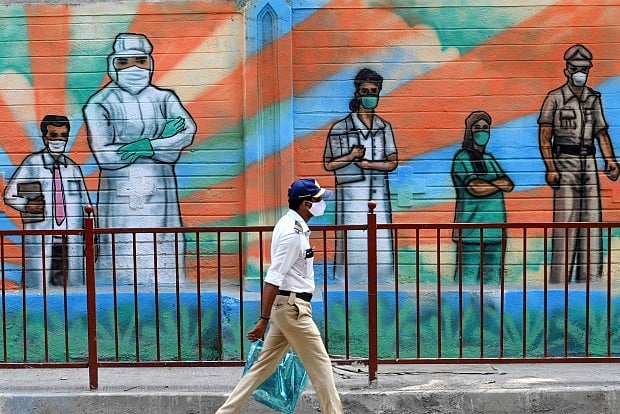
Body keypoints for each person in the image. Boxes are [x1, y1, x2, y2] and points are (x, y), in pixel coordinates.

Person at [216, 178, 343, 414]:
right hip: (294, 310)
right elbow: (274, 277)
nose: (322, 204)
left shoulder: (289, 224)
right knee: (322, 368)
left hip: (288, 307)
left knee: (260, 369)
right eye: (318, 200)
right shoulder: (292, 234)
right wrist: (263, 319)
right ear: (306, 204)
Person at [83, 33, 196, 285]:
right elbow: (105, 155)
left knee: (162, 251)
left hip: (161, 193)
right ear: (113, 64)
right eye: (124, 62)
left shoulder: (165, 98)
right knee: (123, 250)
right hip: (120, 198)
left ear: (150, 63)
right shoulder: (99, 104)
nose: (133, 68)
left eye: (140, 61)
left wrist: (146, 146)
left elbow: (186, 133)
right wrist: (161, 141)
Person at [538, 44, 619, 284]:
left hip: (589, 163)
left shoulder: (593, 99)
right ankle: (559, 286)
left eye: (584, 69)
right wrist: (551, 168)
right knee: (566, 224)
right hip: (565, 162)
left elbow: (601, 133)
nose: (580, 73)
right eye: (576, 69)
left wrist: (610, 160)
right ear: (567, 70)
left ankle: (591, 284)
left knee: (592, 224)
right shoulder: (555, 98)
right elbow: (545, 136)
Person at [323, 68, 398, 285]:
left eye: (374, 92)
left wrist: (369, 164)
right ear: (357, 93)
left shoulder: (384, 127)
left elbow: (393, 161)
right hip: (352, 199)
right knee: (353, 245)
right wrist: (350, 156)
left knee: (380, 246)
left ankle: (382, 285)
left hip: (378, 197)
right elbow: (329, 164)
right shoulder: (341, 128)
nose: (370, 96)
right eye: (365, 92)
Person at [4, 115, 92, 288]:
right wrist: (27, 205)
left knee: (71, 288)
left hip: (69, 241)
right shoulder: (32, 164)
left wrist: (92, 238)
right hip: (42, 237)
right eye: (53, 135)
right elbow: (9, 195)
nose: (59, 140)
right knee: (41, 288)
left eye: (63, 136)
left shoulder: (73, 169)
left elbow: (87, 207)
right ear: (45, 137)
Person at [451, 111, 514, 284]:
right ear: (469, 131)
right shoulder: (462, 158)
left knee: (492, 282)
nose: (482, 132)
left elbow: (508, 184)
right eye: (477, 127)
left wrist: (487, 184)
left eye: (486, 128)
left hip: (496, 232)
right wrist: (497, 183)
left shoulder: (489, 159)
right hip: (471, 233)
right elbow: (475, 188)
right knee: (466, 281)